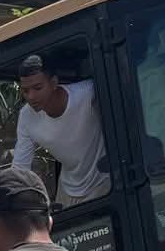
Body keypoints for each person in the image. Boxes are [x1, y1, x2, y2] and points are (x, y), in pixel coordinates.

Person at [12, 53, 109, 204]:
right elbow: (20, 169)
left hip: (104, 182)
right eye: (25, 91)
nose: (31, 96)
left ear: (54, 83)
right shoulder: (26, 117)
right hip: (67, 189)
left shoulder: (87, 94)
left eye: (37, 88)